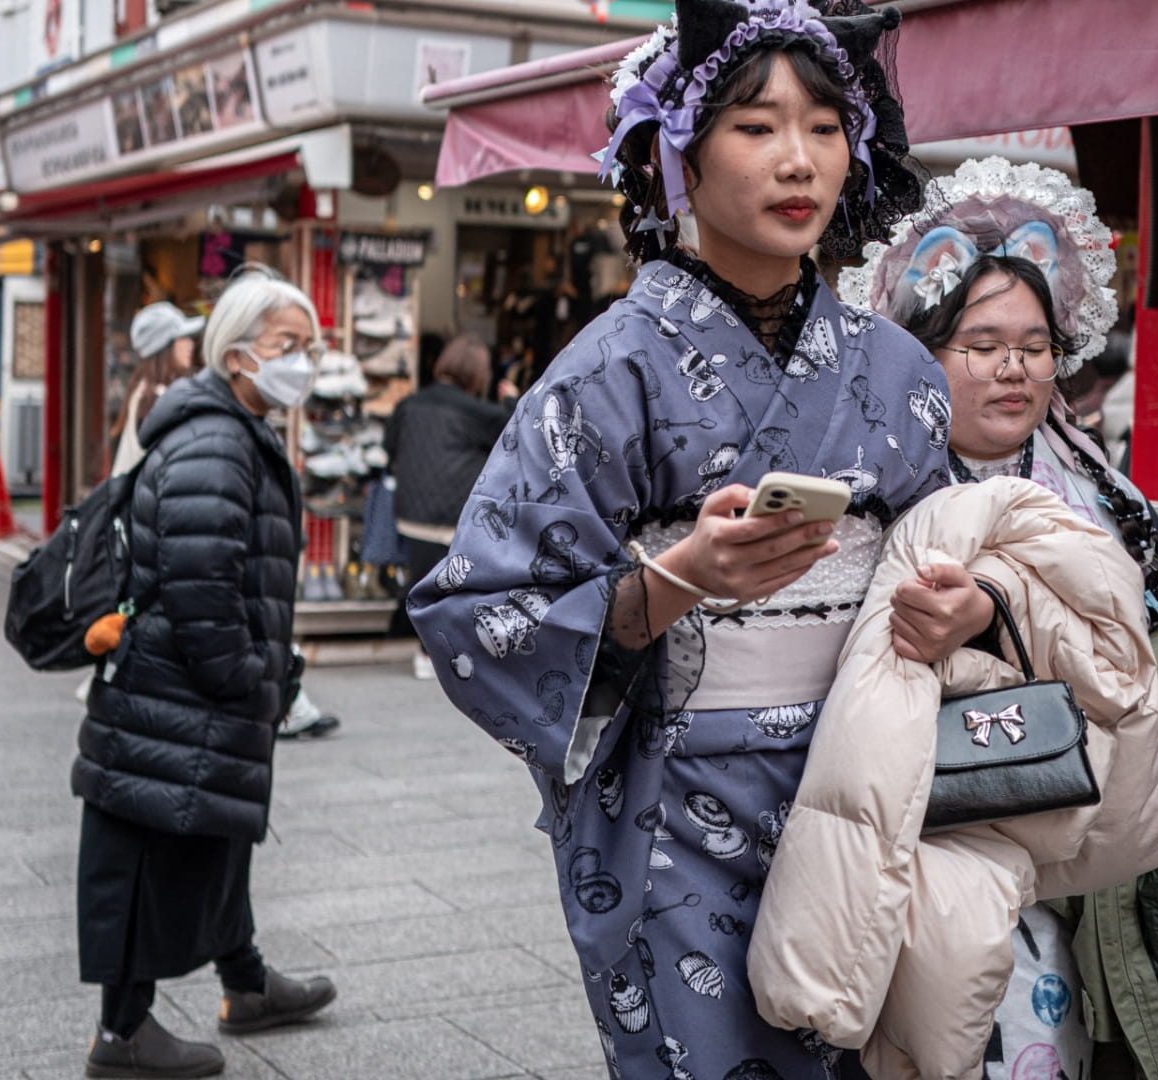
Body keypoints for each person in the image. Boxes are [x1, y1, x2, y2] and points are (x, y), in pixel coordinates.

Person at [408, 0, 960, 1073]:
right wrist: (668, 584)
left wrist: (967, 609)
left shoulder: (903, 376)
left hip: (873, 787)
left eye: (825, 125)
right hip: (677, 815)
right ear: (682, 159)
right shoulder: (608, 372)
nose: (799, 159)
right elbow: (473, 612)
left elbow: (971, 557)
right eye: (756, 126)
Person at [841, 155, 1158, 1080]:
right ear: (924, 351)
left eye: (1035, 345)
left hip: (1101, 829)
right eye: (983, 343)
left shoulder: (1093, 481)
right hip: (948, 833)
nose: (1014, 369)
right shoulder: (877, 484)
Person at [74, 267, 337, 1079]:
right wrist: (251, 674)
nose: (304, 362)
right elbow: (200, 590)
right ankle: (122, 1035)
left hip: (189, 697)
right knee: (153, 856)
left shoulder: (234, 426)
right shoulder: (216, 442)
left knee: (215, 839)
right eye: (287, 346)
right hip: (174, 699)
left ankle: (246, 984)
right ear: (235, 354)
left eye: (311, 347)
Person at [384, 333, 512, 678]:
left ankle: (426, 650)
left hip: (411, 512)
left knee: (425, 580)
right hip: (453, 515)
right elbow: (515, 437)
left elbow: (389, 446)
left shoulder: (409, 404)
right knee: (457, 585)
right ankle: (443, 652)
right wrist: (511, 400)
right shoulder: (479, 413)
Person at [110, 299, 203, 476]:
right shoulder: (154, 399)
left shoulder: (147, 391)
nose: (190, 343)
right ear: (164, 346)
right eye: (182, 337)